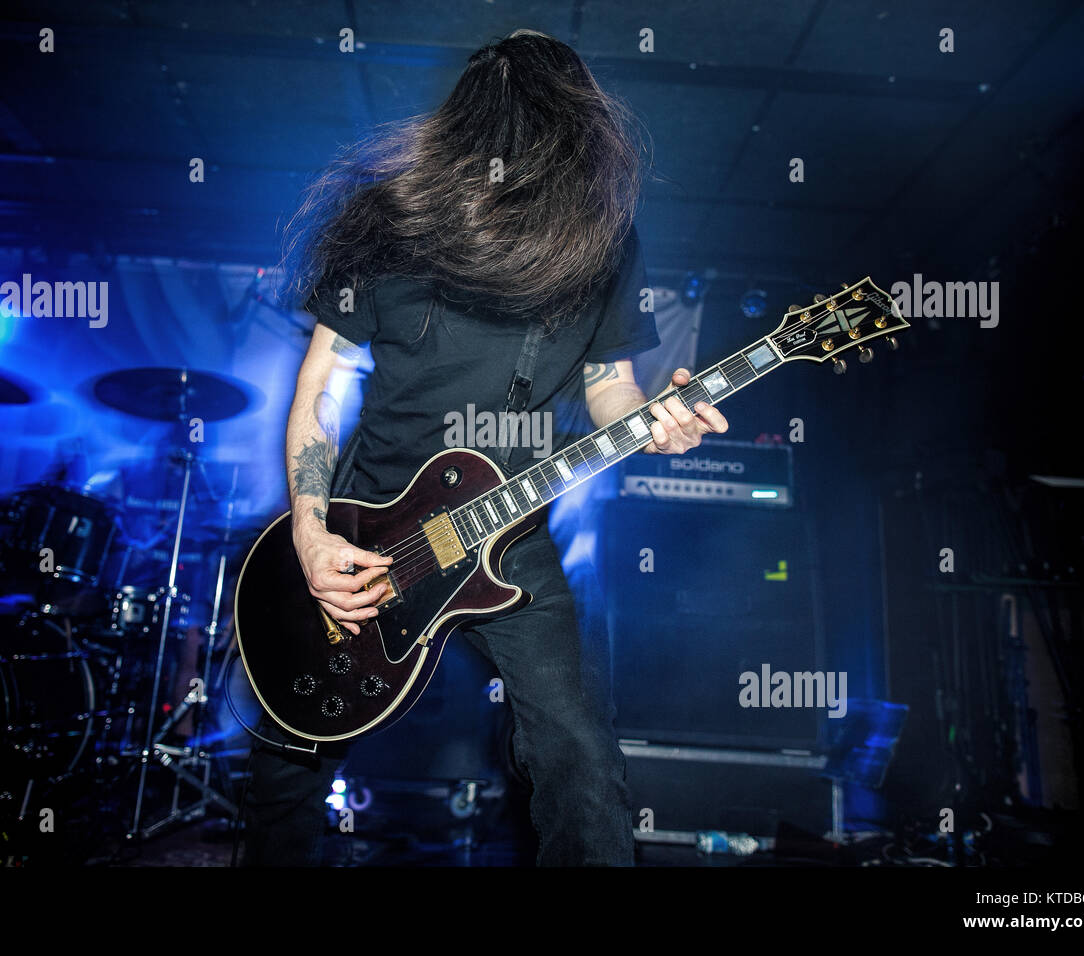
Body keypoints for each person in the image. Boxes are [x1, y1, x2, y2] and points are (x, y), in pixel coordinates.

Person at [240, 29, 728, 867]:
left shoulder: (604, 239)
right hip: (367, 521)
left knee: (578, 755)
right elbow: (320, 384)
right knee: (291, 750)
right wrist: (310, 532)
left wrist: (660, 417)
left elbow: (610, 384)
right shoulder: (389, 216)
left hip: (511, 534)